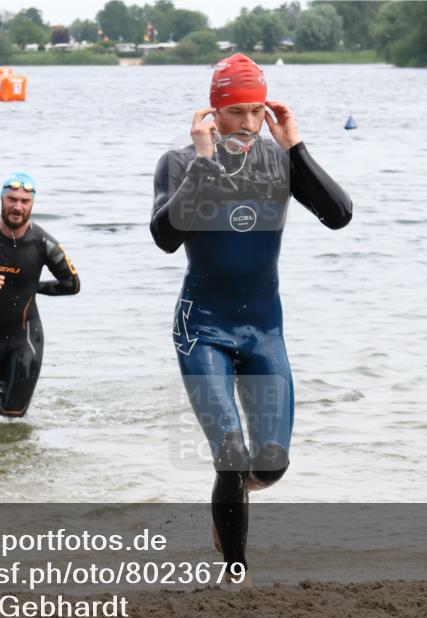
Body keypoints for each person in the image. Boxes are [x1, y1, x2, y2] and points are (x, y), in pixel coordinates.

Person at [150, 53, 352, 572]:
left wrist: (295, 145)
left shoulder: (279, 160)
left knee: (271, 464)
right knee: (231, 455)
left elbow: (339, 215)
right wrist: (203, 163)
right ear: (213, 112)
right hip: (203, 329)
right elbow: (165, 239)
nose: (246, 123)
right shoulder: (179, 162)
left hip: (263, 330)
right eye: (235, 111)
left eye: (255, 111)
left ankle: (231, 499)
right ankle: (234, 576)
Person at [0, 172, 80, 417]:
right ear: (2, 200)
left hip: (26, 342)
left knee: (12, 421)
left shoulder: (45, 244)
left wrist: (32, 286)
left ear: (32, 204)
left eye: (24, 201)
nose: (17, 206)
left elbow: (72, 285)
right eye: (12, 199)